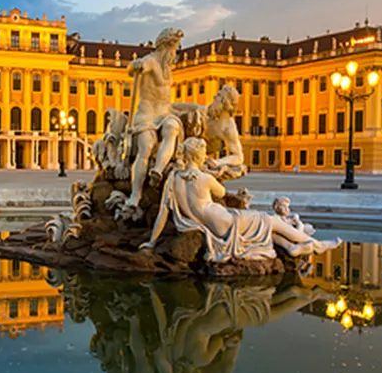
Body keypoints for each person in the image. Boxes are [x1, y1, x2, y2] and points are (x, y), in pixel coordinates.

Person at [140, 137, 340, 261]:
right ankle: (315, 244)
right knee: (271, 220)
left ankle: (291, 247)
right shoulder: (204, 178)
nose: (205, 156)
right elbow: (220, 193)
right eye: (203, 154)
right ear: (198, 156)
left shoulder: (173, 180)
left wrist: (151, 242)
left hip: (214, 224)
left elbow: (162, 215)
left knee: (266, 227)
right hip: (226, 223)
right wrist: (217, 169)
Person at [124, 27, 185, 211]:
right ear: (166, 46)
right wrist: (135, 66)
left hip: (165, 113)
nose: (176, 52)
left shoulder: (168, 68)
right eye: (175, 48)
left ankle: (158, 170)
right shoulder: (151, 61)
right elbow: (133, 67)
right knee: (146, 147)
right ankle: (136, 195)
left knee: (173, 128)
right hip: (147, 115)